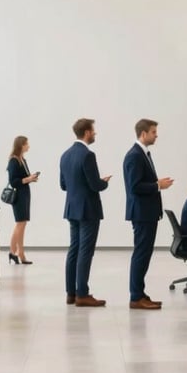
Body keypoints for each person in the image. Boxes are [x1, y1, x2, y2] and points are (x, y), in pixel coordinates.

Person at [123, 118, 174, 310]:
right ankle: (136, 297)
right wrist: (157, 185)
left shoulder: (143, 154)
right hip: (142, 214)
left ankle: (140, 293)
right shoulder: (134, 155)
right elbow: (134, 187)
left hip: (148, 213)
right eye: (153, 132)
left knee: (144, 254)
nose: (156, 135)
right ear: (143, 133)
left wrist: (156, 184)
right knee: (141, 254)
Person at [60, 117, 111, 306]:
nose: (95, 133)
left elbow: (63, 185)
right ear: (87, 132)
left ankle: (70, 293)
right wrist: (104, 182)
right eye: (94, 131)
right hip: (88, 209)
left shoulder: (65, 155)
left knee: (74, 249)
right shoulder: (88, 155)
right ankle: (82, 294)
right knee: (85, 251)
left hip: (72, 208)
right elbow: (95, 185)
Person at [7, 135, 38, 264]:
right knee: (20, 223)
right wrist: (28, 179)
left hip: (24, 193)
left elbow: (23, 177)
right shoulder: (14, 161)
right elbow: (13, 182)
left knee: (22, 223)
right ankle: (14, 252)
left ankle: (18, 252)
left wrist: (31, 178)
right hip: (19, 195)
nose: (28, 146)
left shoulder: (22, 160)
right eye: (27, 143)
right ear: (21, 145)